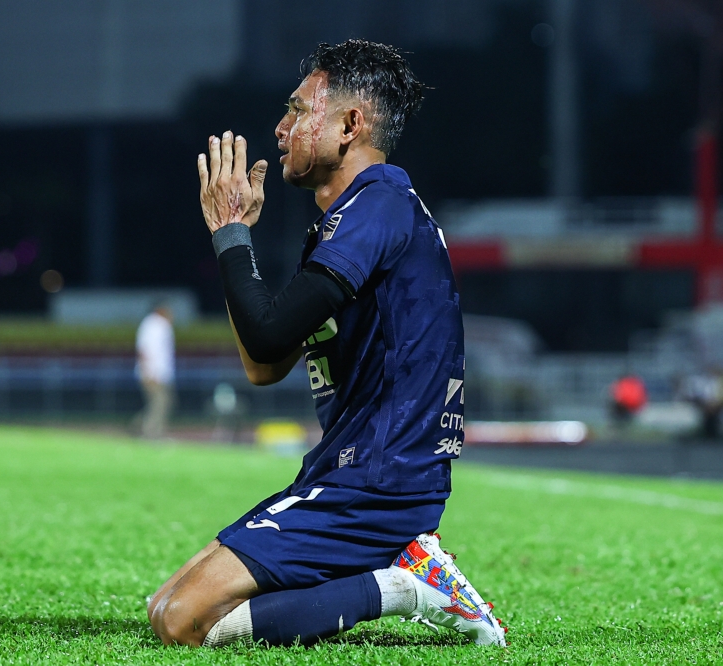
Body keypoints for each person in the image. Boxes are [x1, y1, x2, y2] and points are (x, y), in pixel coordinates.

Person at [147, 40, 506, 648]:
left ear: (348, 124)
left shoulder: (377, 206)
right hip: (353, 472)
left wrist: (231, 235)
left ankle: (409, 587)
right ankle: (397, 572)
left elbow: (266, 338)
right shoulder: (363, 218)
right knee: (164, 605)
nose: (281, 127)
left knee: (181, 620)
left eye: (297, 109)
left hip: (377, 480)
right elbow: (265, 363)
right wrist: (233, 240)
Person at [135, 304, 175, 438]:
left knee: (161, 403)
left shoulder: (162, 325)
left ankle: (138, 428)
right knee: (160, 402)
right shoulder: (152, 325)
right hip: (152, 372)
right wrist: (149, 371)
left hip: (160, 373)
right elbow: (144, 349)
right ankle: (151, 434)